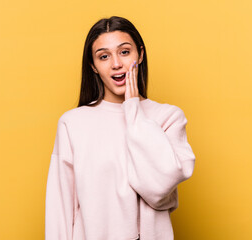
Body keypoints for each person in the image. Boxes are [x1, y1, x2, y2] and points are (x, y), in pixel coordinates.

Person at [45, 16, 196, 240]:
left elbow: (158, 188)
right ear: (93, 66)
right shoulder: (73, 123)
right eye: (104, 56)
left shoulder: (168, 117)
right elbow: (60, 207)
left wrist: (133, 110)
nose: (116, 64)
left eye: (124, 52)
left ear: (140, 55)